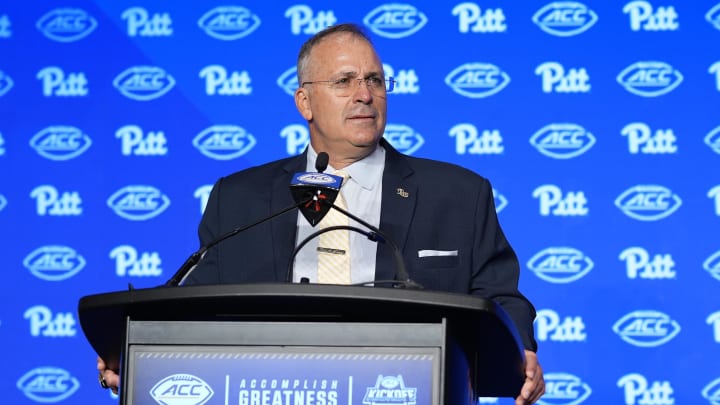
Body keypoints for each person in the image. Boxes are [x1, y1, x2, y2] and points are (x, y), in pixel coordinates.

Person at [98, 23, 545, 404]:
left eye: (375, 80)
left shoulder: (458, 194)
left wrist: (520, 349)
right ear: (304, 103)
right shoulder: (240, 199)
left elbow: (502, 296)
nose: (364, 95)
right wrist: (133, 349)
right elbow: (197, 303)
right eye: (344, 81)